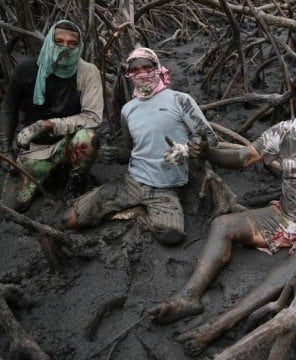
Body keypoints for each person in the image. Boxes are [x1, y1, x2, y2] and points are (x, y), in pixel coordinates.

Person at [147, 68, 296, 324]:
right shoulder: (284, 131)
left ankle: (223, 322)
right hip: (283, 216)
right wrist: (207, 153)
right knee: (223, 225)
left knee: (289, 270)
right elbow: (242, 158)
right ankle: (187, 298)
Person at [62, 47, 217, 246]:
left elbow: (211, 139)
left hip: (166, 188)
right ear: (129, 75)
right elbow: (129, 151)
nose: (142, 74)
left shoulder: (180, 101)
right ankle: (132, 209)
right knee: (69, 220)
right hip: (131, 182)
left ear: (158, 68)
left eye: (148, 67)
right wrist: (115, 155)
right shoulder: (128, 110)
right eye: (135, 70)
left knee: (171, 236)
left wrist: (188, 149)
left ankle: (137, 214)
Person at [0, 20, 103, 211]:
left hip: (69, 144)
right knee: (13, 205)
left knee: (88, 138)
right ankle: (48, 171)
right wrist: (5, 149)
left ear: (79, 46)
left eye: (72, 43)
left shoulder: (88, 72)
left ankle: (75, 184)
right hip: (36, 147)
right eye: (59, 41)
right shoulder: (27, 69)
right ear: (48, 42)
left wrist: (46, 125)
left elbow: (92, 117)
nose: (65, 47)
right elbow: (8, 108)